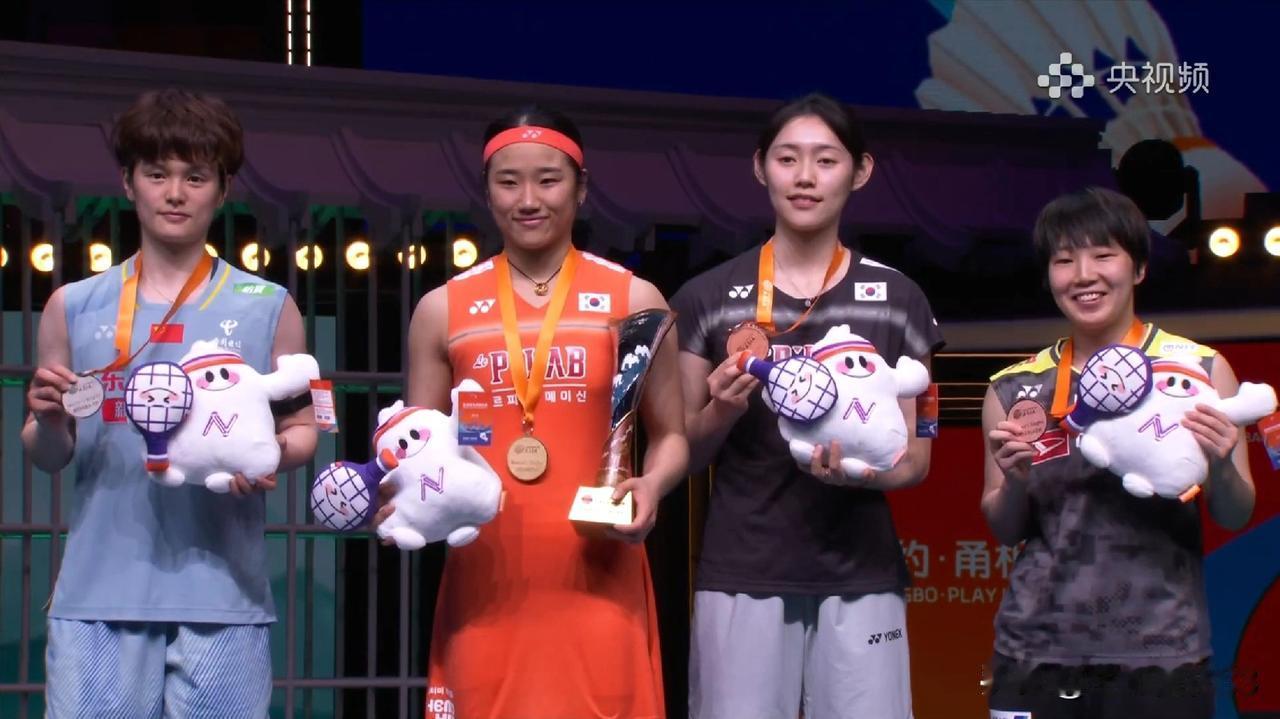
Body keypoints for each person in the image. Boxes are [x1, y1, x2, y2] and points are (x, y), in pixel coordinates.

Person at [23, 89, 316, 718]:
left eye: (195, 177)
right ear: (128, 182)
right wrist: (47, 421)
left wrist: (268, 459)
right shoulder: (72, 305)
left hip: (225, 597)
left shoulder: (270, 306)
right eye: (157, 174)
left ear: (224, 188)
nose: (175, 193)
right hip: (98, 595)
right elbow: (49, 454)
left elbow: (304, 428)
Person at [388, 105, 688, 719]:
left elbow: (671, 435)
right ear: (487, 190)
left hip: (599, 568)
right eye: (509, 181)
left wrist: (652, 485)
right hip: (485, 576)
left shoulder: (635, 298)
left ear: (581, 187)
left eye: (548, 180)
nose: (528, 199)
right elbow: (417, 447)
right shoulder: (442, 309)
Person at [672, 92, 944, 719]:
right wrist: (722, 411)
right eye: (787, 158)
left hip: (861, 570)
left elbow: (917, 458)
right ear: (760, 167)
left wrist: (863, 474)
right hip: (743, 568)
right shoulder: (706, 297)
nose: (804, 177)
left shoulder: (899, 298)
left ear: (860, 171)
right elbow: (682, 451)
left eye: (825, 160)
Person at [982, 187, 1255, 719]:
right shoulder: (1014, 390)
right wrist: (1014, 481)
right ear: (1049, 277)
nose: (1084, 275)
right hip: (1036, 650)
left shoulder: (1199, 372)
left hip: (1163, 651)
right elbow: (1005, 529)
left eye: (1103, 254)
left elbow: (1234, 513)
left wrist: (1221, 466)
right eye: (1064, 260)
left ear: (1139, 268)